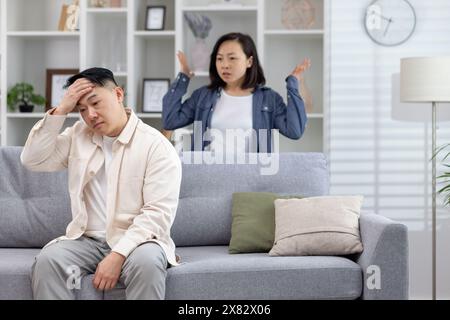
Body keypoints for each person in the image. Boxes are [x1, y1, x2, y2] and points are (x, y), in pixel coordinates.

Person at [20, 67, 182, 300]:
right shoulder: (78, 134)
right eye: (82, 109)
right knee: (49, 261)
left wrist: (118, 255)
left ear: (118, 94)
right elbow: (31, 159)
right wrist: (62, 109)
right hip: (86, 242)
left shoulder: (155, 145)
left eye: (96, 103)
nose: (91, 115)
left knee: (147, 262)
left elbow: (157, 214)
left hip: (139, 241)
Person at [162, 32, 310, 153]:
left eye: (232, 58)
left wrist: (293, 83)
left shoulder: (268, 99)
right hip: (207, 177)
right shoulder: (203, 96)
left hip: (252, 179)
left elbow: (294, 131)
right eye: (219, 59)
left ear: (249, 62)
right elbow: (170, 120)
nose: (225, 65)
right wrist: (184, 77)